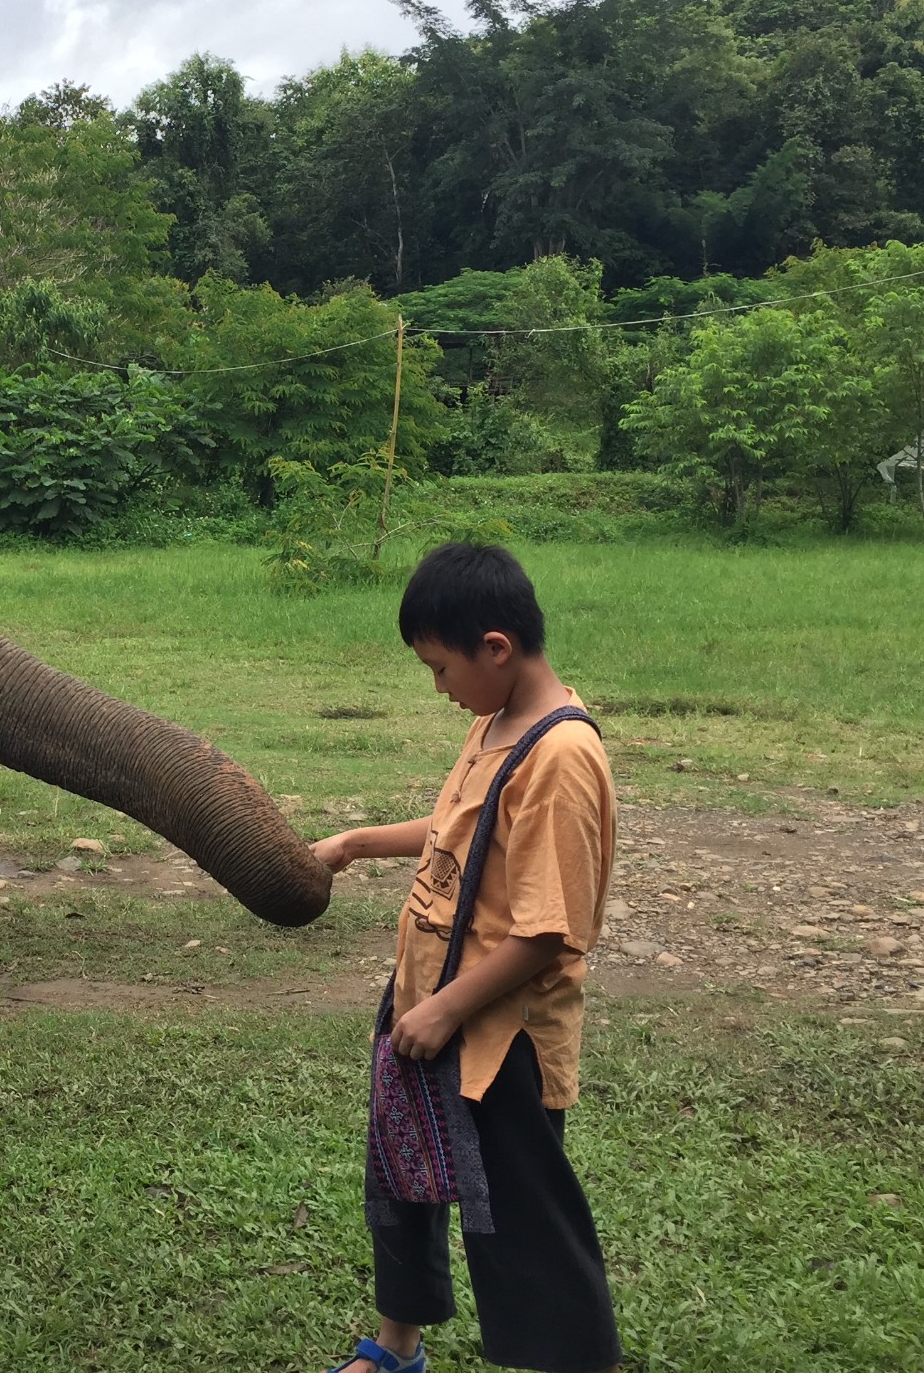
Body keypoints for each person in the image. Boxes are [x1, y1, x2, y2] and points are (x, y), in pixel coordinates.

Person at [315, 543, 622, 1373]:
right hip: (426, 1004)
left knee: (519, 1222)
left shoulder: (561, 757)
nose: (439, 688)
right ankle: (395, 1350)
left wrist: (449, 1008)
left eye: (440, 668)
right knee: (403, 1187)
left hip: (500, 1039)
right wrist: (356, 843)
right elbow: (460, 828)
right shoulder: (496, 723)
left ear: (495, 647)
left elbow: (551, 931)